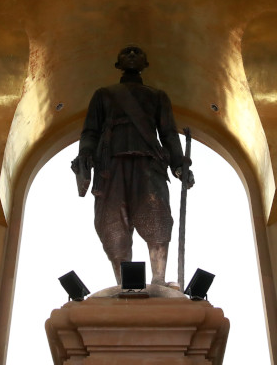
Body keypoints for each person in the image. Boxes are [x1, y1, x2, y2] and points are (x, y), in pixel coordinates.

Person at [74, 46, 193, 286]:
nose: (131, 55)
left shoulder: (158, 96)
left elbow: (169, 134)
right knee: (113, 220)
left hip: (148, 162)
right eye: (126, 52)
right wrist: (86, 154)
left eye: (136, 52)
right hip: (111, 164)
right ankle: (124, 283)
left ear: (145, 63)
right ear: (117, 63)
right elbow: (90, 131)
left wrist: (179, 166)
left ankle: (159, 279)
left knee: (157, 214)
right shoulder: (103, 95)